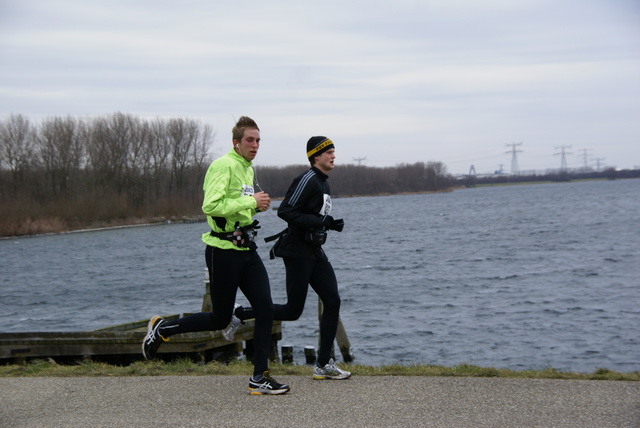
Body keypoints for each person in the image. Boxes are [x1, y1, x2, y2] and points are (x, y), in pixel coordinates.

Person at [142, 116, 290, 395]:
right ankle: (163, 328)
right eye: (250, 140)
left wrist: (254, 210)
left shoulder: (247, 169)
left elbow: (233, 208)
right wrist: (250, 201)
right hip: (222, 252)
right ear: (236, 142)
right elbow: (210, 206)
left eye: (258, 140)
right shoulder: (223, 165)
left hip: (246, 248)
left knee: (266, 309)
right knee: (219, 319)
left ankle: (260, 377)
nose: (255, 145)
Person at [229, 136, 351, 380]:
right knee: (293, 310)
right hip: (297, 252)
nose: (334, 156)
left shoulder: (323, 182)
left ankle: (323, 363)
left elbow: (312, 215)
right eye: (329, 152)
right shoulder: (307, 179)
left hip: (314, 250)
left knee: (333, 300)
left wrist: (328, 225)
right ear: (316, 156)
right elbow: (285, 211)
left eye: (334, 152)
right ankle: (240, 314)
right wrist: (320, 221)